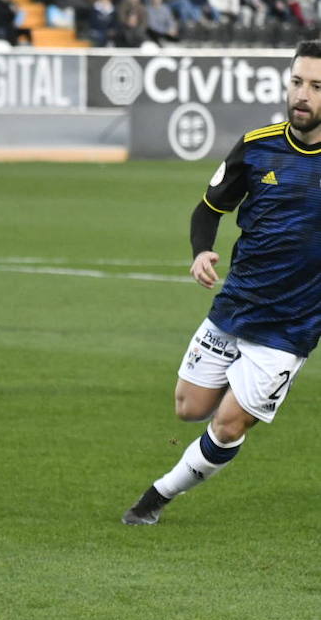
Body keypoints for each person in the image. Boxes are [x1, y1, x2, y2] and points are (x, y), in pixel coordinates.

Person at [122, 41, 321, 526]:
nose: (302, 95)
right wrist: (201, 251)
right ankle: (240, 394)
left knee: (228, 424)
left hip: (291, 327)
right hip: (237, 304)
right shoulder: (258, 146)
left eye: (316, 87)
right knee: (188, 408)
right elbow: (209, 208)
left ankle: (156, 498)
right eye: (297, 82)